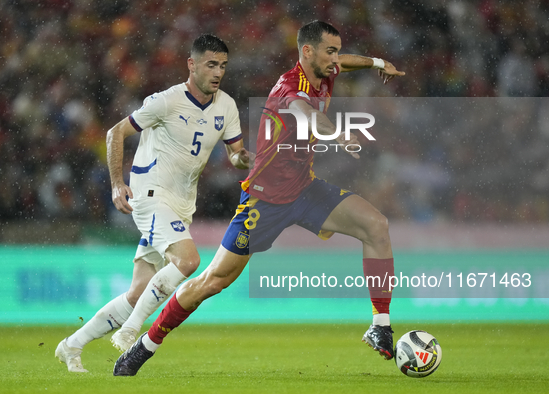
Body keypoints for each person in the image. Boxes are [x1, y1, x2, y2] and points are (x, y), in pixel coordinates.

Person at [113, 21, 406, 376]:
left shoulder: (326, 69)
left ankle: (380, 325)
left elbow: (346, 61)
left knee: (376, 225)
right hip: (263, 201)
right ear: (307, 52)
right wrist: (338, 134)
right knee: (212, 282)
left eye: (336, 52)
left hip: (304, 188)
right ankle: (144, 346)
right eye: (330, 52)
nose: (336, 60)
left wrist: (377, 63)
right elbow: (306, 113)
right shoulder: (288, 88)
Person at [55, 34, 252, 373]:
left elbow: (235, 155)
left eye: (222, 65)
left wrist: (244, 159)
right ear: (192, 65)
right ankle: (132, 329)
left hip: (181, 205)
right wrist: (118, 184)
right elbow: (115, 132)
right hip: (149, 195)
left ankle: (71, 346)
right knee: (188, 261)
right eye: (210, 64)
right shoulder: (166, 101)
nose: (218, 72)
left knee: (138, 291)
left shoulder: (226, 106)